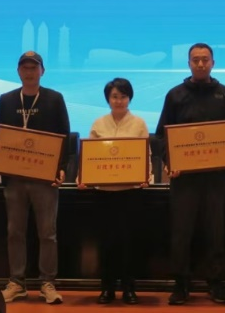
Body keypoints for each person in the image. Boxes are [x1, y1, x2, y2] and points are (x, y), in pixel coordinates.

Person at [155, 43, 225, 306]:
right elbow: (161, 135)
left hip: (215, 176)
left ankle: (216, 283)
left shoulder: (224, 94)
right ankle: (181, 284)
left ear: (213, 63)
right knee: (181, 231)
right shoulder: (175, 95)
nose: (201, 64)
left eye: (205, 59)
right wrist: (170, 160)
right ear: (189, 63)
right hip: (184, 178)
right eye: (196, 60)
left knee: (215, 231)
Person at [0, 51, 71, 305]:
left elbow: (65, 136)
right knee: (15, 231)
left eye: (34, 68)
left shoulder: (54, 99)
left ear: (42, 71)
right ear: (18, 72)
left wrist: (61, 167)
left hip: (44, 179)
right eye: (24, 68)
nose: (29, 72)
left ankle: (47, 282)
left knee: (48, 233)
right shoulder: (6, 99)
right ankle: (17, 282)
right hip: (14, 178)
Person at [80, 78, 150, 305]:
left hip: (130, 192)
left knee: (129, 242)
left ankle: (129, 288)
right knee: (106, 242)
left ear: (129, 98)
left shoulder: (139, 123)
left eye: (123, 96)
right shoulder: (98, 123)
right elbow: (89, 156)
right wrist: (84, 177)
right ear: (108, 99)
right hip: (104, 192)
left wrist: (146, 176)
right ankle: (107, 288)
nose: (119, 101)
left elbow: (146, 155)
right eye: (114, 96)